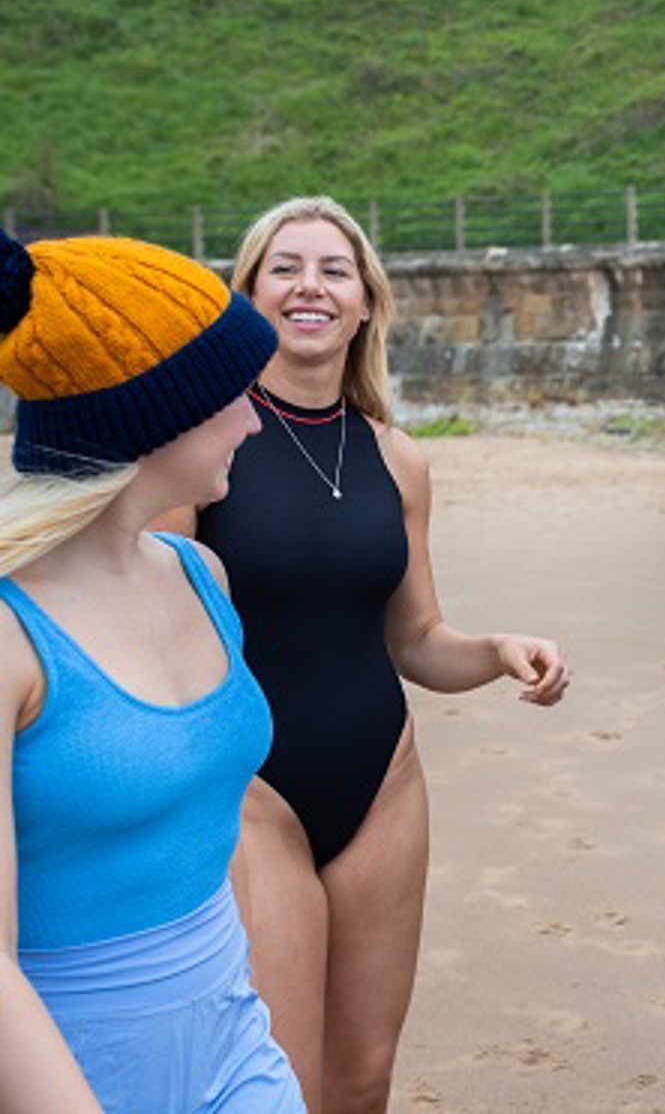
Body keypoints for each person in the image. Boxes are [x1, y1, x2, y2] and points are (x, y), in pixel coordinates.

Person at [155, 196, 570, 1113]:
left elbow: (416, 639)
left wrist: (499, 649)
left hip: (383, 785)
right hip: (252, 793)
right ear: (248, 296)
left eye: (334, 270)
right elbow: (153, 625)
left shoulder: (398, 458)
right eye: (286, 269)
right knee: (279, 1081)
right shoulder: (200, 444)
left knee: (362, 1080)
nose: (311, 286)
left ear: (367, 301)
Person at [0, 229, 304, 1110]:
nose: (254, 420)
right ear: (153, 417)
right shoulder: (12, 635)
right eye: (233, 397)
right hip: (64, 1077)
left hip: (235, 1047)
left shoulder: (201, 577)